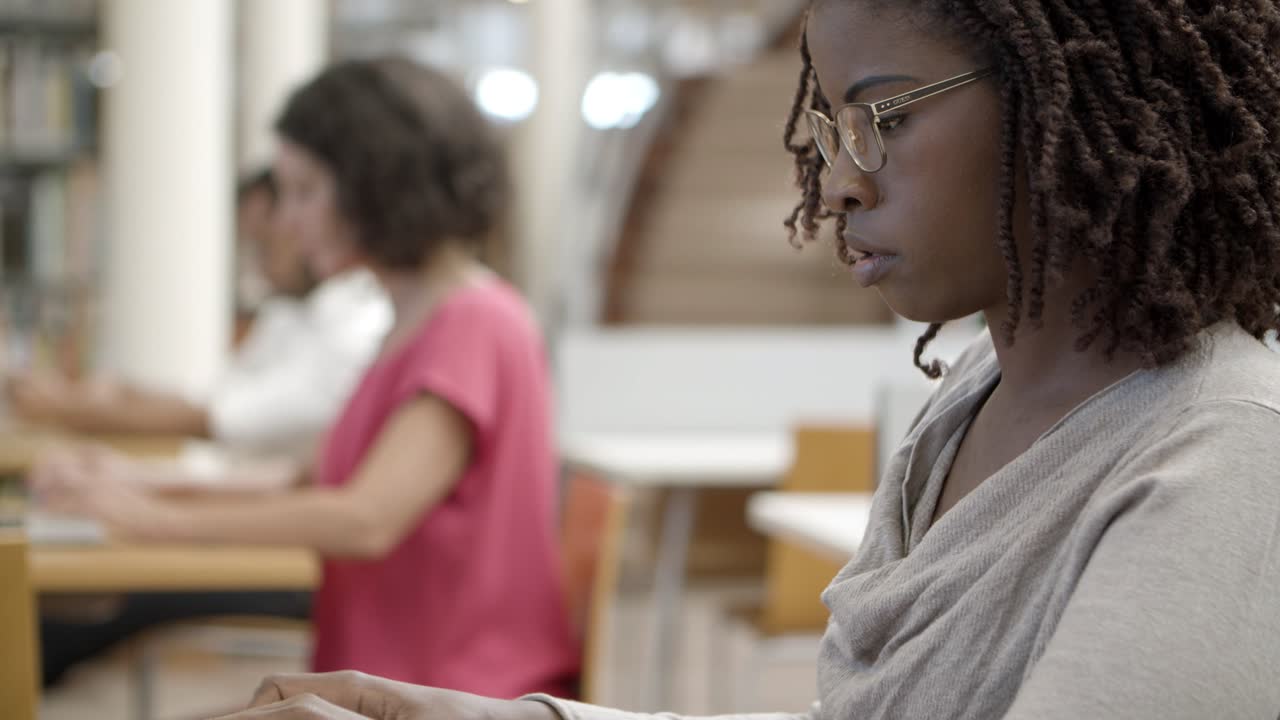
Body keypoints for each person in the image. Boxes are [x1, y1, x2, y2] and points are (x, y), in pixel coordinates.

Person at [216, 1, 1280, 718]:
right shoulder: (964, 406)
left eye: (879, 118)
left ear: (1064, 108)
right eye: (825, 125)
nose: (837, 183)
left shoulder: (1221, 458)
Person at [31, 56, 579, 699]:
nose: (287, 222)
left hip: (447, 696)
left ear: (380, 188)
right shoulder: (413, 322)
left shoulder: (474, 323)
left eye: (306, 192)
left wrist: (151, 517)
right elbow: (308, 479)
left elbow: (365, 519)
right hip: (387, 682)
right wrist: (137, 481)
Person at [5, 169, 391, 460]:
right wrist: (116, 394)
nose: (258, 264)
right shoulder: (289, 315)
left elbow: (222, 419)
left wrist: (70, 409)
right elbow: (217, 398)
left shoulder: (356, 324)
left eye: (263, 243)